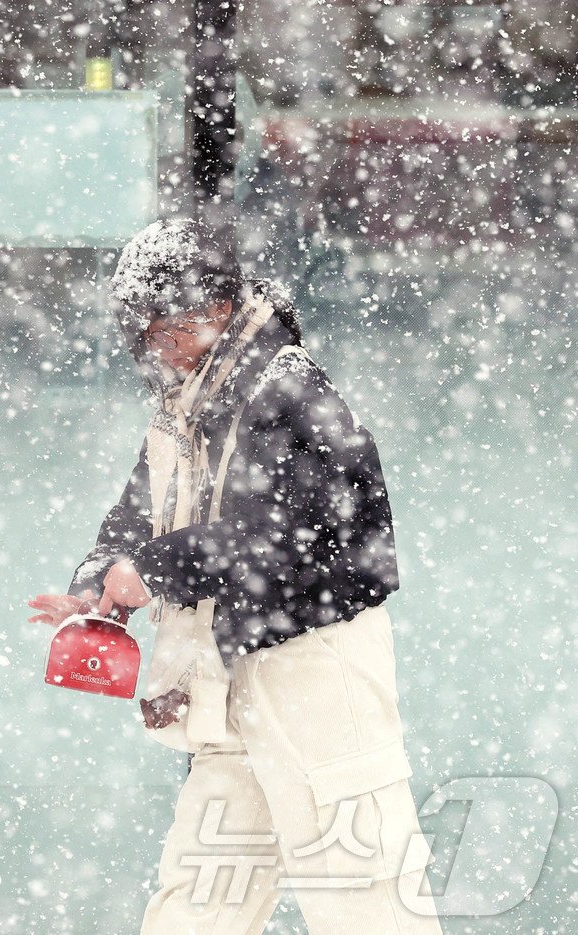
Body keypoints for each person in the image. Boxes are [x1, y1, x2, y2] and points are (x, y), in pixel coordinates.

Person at [27, 219, 442, 934]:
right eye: (145, 332)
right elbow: (135, 514)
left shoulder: (289, 388)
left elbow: (304, 535)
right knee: (200, 897)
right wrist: (99, 583)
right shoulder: (184, 406)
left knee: (363, 891)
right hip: (223, 674)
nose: (156, 349)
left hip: (313, 664)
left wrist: (153, 570)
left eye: (168, 330)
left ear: (215, 311)